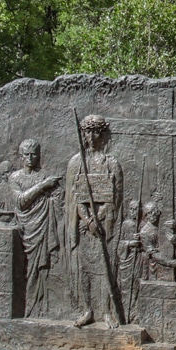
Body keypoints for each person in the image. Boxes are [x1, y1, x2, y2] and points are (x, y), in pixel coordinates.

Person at [64, 115, 124, 328]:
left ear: (104, 135)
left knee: (105, 269)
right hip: (84, 227)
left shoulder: (112, 164)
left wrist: (98, 219)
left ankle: (107, 312)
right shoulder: (77, 162)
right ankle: (87, 309)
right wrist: (87, 219)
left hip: (104, 226)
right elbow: (74, 197)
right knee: (85, 270)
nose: (92, 136)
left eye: (97, 131)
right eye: (88, 132)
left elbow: (115, 198)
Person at [8, 140, 62, 318]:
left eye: (34, 154)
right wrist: (43, 187)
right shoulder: (15, 178)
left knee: (43, 269)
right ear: (21, 156)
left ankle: (41, 309)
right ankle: (26, 308)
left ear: (39, 155)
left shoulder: (44, 175)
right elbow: (21, 202)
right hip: (26, 229)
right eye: (26, 155)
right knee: (26, 269)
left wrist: (56, 196)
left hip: (43, 227)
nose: (30, 158)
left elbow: (57, 199)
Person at [138, 202, 176, 281]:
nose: (152, 215)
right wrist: (169, 262)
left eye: (153, 212)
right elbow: (153, 254)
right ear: (146, 215)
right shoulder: (145, 232)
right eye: (149, 213)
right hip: (154, 266)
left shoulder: (162, 225)